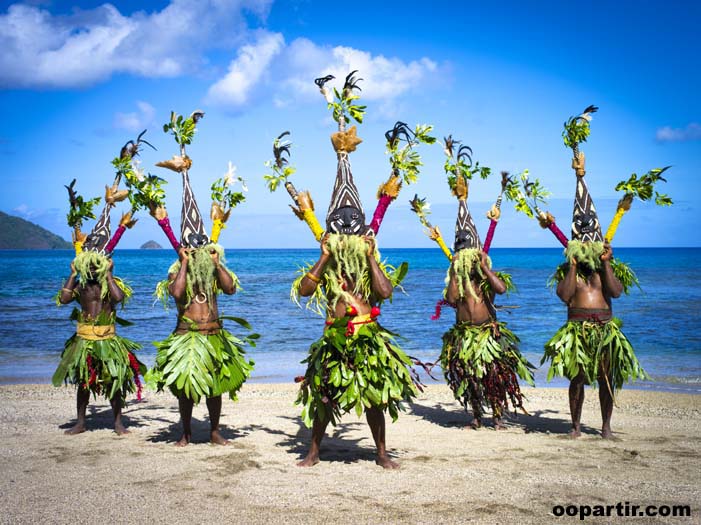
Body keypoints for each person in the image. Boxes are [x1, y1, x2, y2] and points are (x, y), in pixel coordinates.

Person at [145, 109, 255, 446]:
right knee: (186, 389)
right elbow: (177, 295)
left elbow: (230, 289)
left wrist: (216, 261)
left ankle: (217, 431)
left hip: (214, 334)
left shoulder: (214, 263)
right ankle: (188, 432)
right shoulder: (177, 269)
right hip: (187, 335)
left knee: (216, 386)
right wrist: (184, 263)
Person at [543, 151, 645, 439]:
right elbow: (564, 296)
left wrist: (607, 263)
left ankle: (605, 426)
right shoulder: (569, 268)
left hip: (604, 330)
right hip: (576, 330)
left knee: (606, 378)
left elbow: (616, 292)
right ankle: (575, 426)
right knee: (577, 379)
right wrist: (573, 266)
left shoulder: (605, 268)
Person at [53, 184, 144, 435]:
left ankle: (117, 422)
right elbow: (63, 299)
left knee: (115, 380)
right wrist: (72, 275)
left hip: (107, 338)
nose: (93, 267)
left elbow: (117, 299)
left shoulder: (108, 283)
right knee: (83, 382)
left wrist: (110, 276)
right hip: (83, 338)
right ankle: (81, 422)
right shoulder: (80, 285)